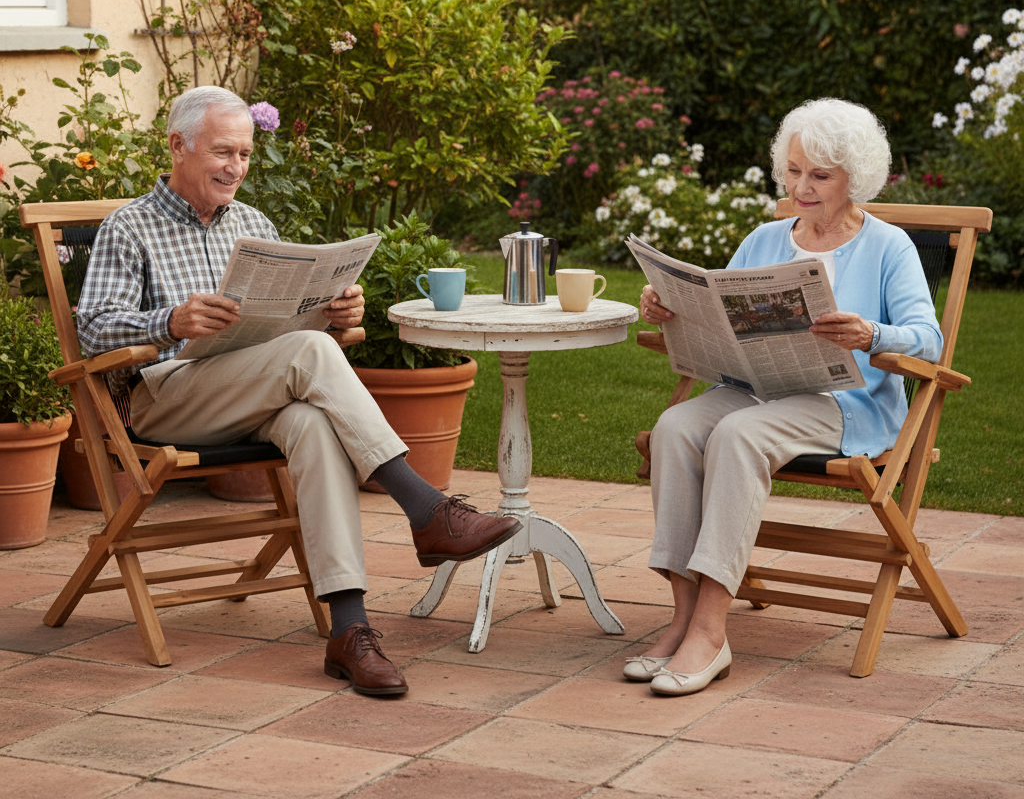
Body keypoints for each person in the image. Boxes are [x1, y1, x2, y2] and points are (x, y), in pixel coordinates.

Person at [77, 85, 522, 697]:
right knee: (310, 354)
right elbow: (93, 329)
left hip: (251, 387)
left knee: (312, 422)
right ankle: (426, 509)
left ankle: (350, 631)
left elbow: (285, 324)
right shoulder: (129, 227)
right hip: (165, 397)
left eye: (245, 154)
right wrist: (171, 321)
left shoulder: (252, 223)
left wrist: (334, 314)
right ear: (178, 146)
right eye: (222, 152)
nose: (235, 167)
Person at [626, 98, 942, 697]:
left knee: (738, 436)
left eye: (820, 175)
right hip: (755, 388)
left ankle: (710, 633)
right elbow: (719, 312)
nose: (801, 187)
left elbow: (929, 339)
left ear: (855, 176)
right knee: (675, 428)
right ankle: (682, 618)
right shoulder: (765, 239)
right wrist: (668, 308)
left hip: (842, 404)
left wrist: (872, 334)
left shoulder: (889, 246)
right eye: (794, 171)